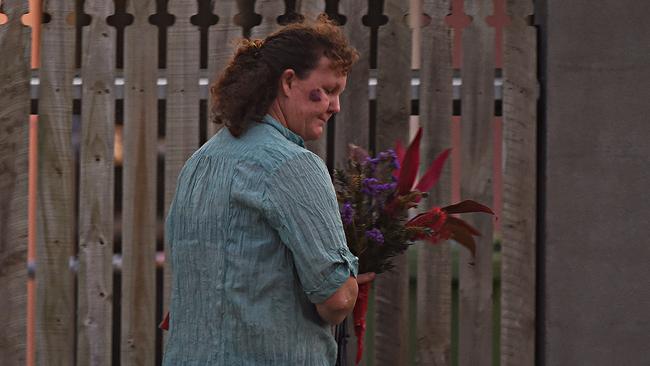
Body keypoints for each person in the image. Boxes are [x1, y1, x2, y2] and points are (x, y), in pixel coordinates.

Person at [162, 16, 375, 365]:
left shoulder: (200, 163)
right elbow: (335, 299)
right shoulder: (293, 165)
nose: (335, 106)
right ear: (288, 81)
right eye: (329, 90)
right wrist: (351, 284)